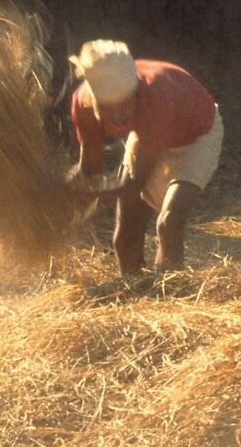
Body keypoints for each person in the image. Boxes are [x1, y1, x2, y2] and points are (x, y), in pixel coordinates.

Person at [66, 40, 223, 278]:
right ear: (94, 101)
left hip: (196, 137)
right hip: (146, 134)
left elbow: (135, 184)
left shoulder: (155, 94)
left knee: (169, 222)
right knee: (124, 235)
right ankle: (134, 289)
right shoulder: (83, 103)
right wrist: (64, 192)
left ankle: (167, 292)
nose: (118, 115)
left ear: (136, 91)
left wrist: (86, 192)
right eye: (109, 108)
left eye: (125, 105)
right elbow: (91, 172)